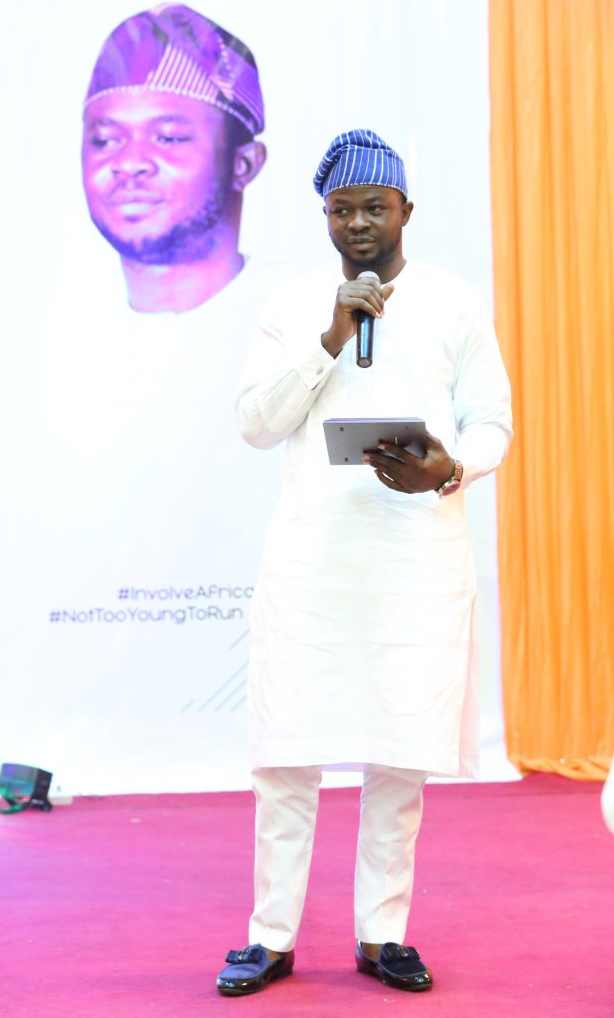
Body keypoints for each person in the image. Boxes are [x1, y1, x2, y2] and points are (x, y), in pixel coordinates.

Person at [216, 129, 513, 996]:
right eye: (340, 210)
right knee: (285, 757)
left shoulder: (455, 302)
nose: (357, 224)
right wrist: (329, 338)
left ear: (406, 210)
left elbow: (492, 419)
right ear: (325, 218)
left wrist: (450, 468)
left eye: (373, 208)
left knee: (400, 754)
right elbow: (256, 423)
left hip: (415, 555)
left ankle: (383, 935)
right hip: (313, 558)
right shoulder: (293, 304)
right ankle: (270, 938)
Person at [82, 3, 266, 314]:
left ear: (244, 164)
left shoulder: (307, 320)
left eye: (168, 137)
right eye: (106, 140)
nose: (129, 163)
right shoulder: (55, 326)